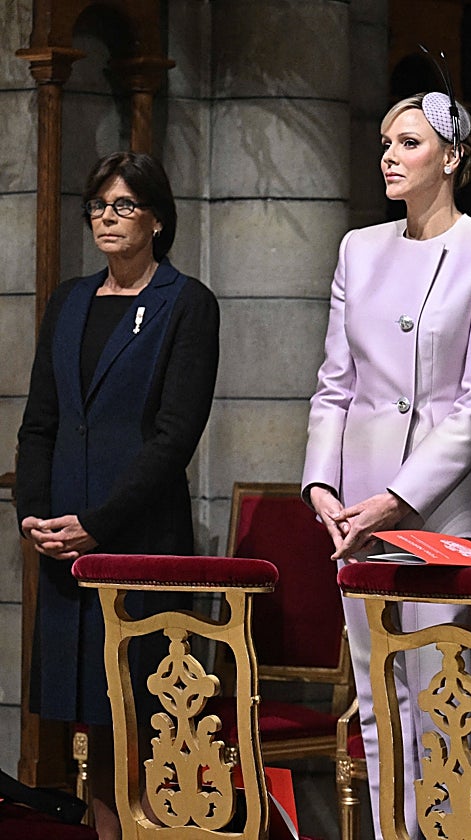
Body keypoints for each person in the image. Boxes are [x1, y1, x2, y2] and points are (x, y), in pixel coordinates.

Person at [302, 91, 471, 840]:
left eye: (408, 143)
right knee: (374, 695)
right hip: (354, 507)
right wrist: (322, 485)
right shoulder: (358, 248)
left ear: (452, 158)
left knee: (437, 692)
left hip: (438, 504)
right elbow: (335, 384)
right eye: (385, 143)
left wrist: (399, 498)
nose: (389, 157)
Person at [16, 151, 220, 840]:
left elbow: (173, 438)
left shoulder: (186, 303)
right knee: (90, 715)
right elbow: (40, 421)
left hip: (137, 541)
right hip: (66, 543)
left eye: (124, 205)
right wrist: (32, 518)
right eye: (99, 205)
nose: (107, 216)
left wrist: (99, 525)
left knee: (139, 707)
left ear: (157, 219)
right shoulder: (70, 300)